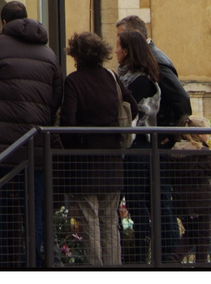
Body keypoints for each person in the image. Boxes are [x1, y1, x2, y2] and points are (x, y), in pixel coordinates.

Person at [0, 0, 63, 265]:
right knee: (33, 209)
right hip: (34, 145)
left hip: (0, 146)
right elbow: (56, 98)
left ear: (3, 23)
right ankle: (33, 264)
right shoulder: (48, 53)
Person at [57, 32, 139, 266]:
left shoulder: (74, 81)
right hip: (112, 159)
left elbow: (68, 123)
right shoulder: (111, 78)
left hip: (84, 161)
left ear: (77, 55)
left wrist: (74, 145)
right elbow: (133, 107)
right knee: (109, 220)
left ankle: (95, 270)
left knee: (90, 219)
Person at [116, 30, 174, 263]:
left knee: (137, 205)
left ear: (128, 51)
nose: (116, 51)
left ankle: (139, 260)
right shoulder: (142, 78)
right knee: (143, 204)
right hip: (143, 148)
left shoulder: (139, 81)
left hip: (137, 148)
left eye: (119, 46)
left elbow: (124, 110)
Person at [171, 119, 211, 264]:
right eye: (207, 131)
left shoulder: (175, 151)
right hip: (201, 201)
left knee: (192, 234)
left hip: (181, 201)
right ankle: (175, 262)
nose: (209, 135)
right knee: (203, 238)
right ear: (199, 134)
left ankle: (172, 261)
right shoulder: (201, 151)